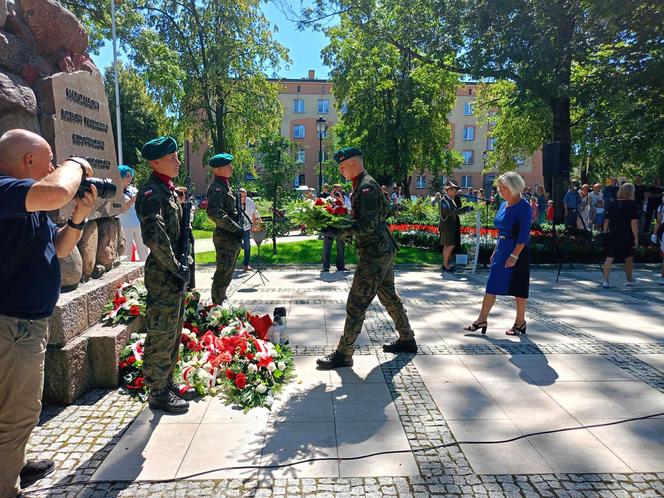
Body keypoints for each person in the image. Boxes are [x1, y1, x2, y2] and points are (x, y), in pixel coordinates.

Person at [0, 129, 98, 497]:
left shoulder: (26, 202)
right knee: (15, 413)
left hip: (25, 324)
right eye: (50, 161)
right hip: (11, 325)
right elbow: (57, 189)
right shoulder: (5, 189)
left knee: (19, 408)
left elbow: (57, 248)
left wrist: (79, 216)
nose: (55, 167)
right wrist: (77, 164)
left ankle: (14, 465)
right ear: (28, 161)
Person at [317, 147, 416, 369]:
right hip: (382, 249)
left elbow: (368, 224)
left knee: (356, 302)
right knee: (389, 296)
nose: (341, 171)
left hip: (375, 253)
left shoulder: (366, 187)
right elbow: (383, 212)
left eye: (342, 167)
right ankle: (407, 339)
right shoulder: (364, 184)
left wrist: (339, 231)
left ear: (353, 163)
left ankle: (344, 353)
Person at [136, 136, 196, 414]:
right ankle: (157, 392)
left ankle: (166, 380)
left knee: (173, 329)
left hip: (174, 272)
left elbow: (176, 232)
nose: (178, 161)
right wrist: (177, 268)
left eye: (176, 156)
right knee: (161, 332)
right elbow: (155, 237)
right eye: (172, 157)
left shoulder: (169, 191)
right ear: (155, 162)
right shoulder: (151, 193)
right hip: (164, 274)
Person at [464, 172, 532, 336]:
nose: (500, 191)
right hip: (502, 248)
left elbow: (524, 235)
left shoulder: (524, 206)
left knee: (519, 287)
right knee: (492, 284)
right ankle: (482, 319)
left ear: (514, 187)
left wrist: (514, 256)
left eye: (504, 188)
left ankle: (520, 322)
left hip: (517, 251)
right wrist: (496, 250)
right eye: (499, 187)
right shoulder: (503, 205)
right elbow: (501, 230)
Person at [206, 153, 243, 303]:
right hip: (225, 236)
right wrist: (235, 228)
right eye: (228, 166)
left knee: (228, 271)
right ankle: (218, 303)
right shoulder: (217, 188)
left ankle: (221, 299)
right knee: (223, 271)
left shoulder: (225, 185)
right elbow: (214, 212)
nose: (231, 168)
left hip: (231, 236)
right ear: (218, 169)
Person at [601, 183, 639, 288]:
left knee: (609, 257)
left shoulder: (612, 204)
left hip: (613, 234)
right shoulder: (632, 205)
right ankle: (629, 279)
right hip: (627, 234)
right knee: (629, 257)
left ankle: (606, 281)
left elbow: (606, 221)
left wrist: (605, 233)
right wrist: (636, 238)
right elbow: (634, 223)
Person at [118, 165, 148, 261]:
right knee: (127, 252)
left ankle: (145, 269)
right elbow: (122, 209)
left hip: (138, 224)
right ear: (120, 176)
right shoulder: (116, 192)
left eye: (131, 176)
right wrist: (133, 199)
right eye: (127, 176)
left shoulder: (133, 190)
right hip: (125, 226)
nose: (130, 178)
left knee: (143, 249)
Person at [439, 182, 470, 272]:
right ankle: (445, 264)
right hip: (447, 227)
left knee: (447, 245)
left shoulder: (450, 200)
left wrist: (464, 209)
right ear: (448, 190)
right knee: (451, 245)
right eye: (453, 190)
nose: (455, 192)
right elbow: (449, 212)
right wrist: (463, 209)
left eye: (456, 190)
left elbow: (454, 211)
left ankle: (445, 264)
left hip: (449, 226)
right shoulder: (444, 200)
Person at [322, 185, 350, 272]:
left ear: (342, 190)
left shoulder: (345, 198)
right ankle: (326, 266)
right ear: (333, 190)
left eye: (339, 190)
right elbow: (323, 210)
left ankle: (341, 266)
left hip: (341, 226)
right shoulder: (328, 198)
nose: (337, 192)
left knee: (341, 246)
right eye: (335, 190)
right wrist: (332, 198)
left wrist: (341, 199)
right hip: (329, 226)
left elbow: (349, 208)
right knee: (327, 246)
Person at [239, 188, 259, 271]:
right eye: (242, 196)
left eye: (245, 196)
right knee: (235, 246)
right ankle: (230, 266)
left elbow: (253, 215)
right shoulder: (234, 202)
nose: (244, 198)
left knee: (247, 246)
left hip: (246, 227)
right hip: (236, 228)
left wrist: (254, 226)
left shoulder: (249, 201)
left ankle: (246, 265)